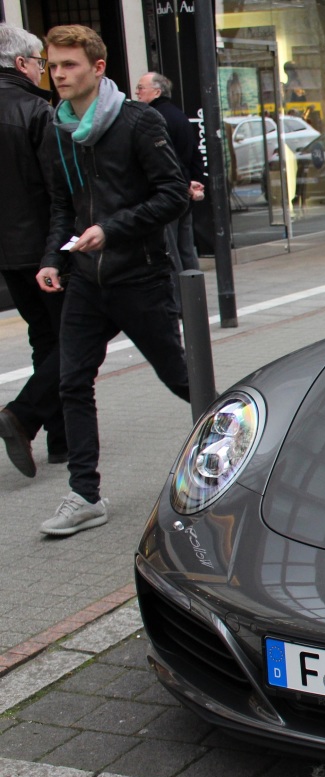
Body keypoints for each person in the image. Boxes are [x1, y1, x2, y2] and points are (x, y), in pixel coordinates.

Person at [36, 24, 189, 536]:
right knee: (71, 381)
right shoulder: (57, 128)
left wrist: (112, 229)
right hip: (85, 280)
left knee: (182, 378)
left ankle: (252, 455)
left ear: (97, 68)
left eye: (69, 65)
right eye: (53, 65)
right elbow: (63, 206)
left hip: (139, 276)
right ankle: (84, 495)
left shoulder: (136, 121)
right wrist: (52, 258)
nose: (59, 74)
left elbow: (171, 193)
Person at [0, 22, 66, 479]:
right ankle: (22, 415)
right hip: (45, 250)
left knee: (45, 338)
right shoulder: (37, 111)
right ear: (22, 63)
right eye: (42, 62)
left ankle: (61, 441)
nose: (46, 71)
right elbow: (57, 191)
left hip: (7, 255)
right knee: (77, 340)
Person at [134, 71, 203, 305]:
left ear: (157, 91)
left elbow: (163, 159)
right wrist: (193, 183)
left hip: (167, 193)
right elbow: (193, 153)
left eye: (141, 87)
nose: (137, 92)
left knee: (170, 249)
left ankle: (179, 302)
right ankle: (195, 298)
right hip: (184, 191)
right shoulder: (179, 116)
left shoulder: (152, 117)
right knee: (186, 247)